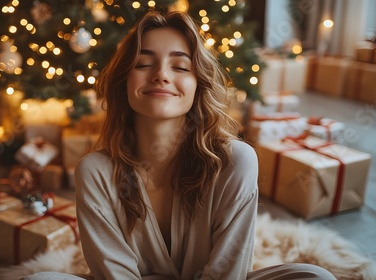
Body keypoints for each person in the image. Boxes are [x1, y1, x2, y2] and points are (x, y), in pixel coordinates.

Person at [25, 10, 336, 280]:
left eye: (180, 66)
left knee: (315, 277)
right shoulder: (96, 172)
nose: (161, 75)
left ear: (198, 84)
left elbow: (228, 272)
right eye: (144, 64)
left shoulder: (235, 161)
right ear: (124, 83)